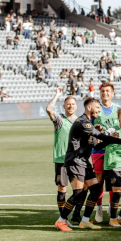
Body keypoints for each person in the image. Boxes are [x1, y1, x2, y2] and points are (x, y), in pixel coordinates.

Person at [54, 97, 121, 232]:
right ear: (89, 107)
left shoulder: (89, 124)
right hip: (75, 161)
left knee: (96, 190)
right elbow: (101, 137)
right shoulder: (82, 122)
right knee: (78, 193)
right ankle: (61, 220)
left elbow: (97, 145)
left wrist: (112, 140)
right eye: (97, 108)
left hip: (83, 162)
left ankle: (85, 221)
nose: (99, 111)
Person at [46, 88, 84, 224]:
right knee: (62, 188)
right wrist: (57, 95)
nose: (70, 106)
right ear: (64, 106)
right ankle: (64, 217)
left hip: (77, 160)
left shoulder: (80, 122)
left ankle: (77, 214)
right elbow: (49, 109)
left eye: (73, 104)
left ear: (76, 106)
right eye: (68, 104)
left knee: (79, 189)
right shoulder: (60, 120)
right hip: (61, 159)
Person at [92, 82, 120, 223]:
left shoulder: (118, 109)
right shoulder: (95, 109)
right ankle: (99, 209)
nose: (105, 93)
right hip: (99, 150)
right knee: (99, 182)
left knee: (113, 182)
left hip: (114, 151)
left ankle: (111, 206)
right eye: (103, 91)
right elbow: (89, 129)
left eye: (108, 91)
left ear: (112, 93)